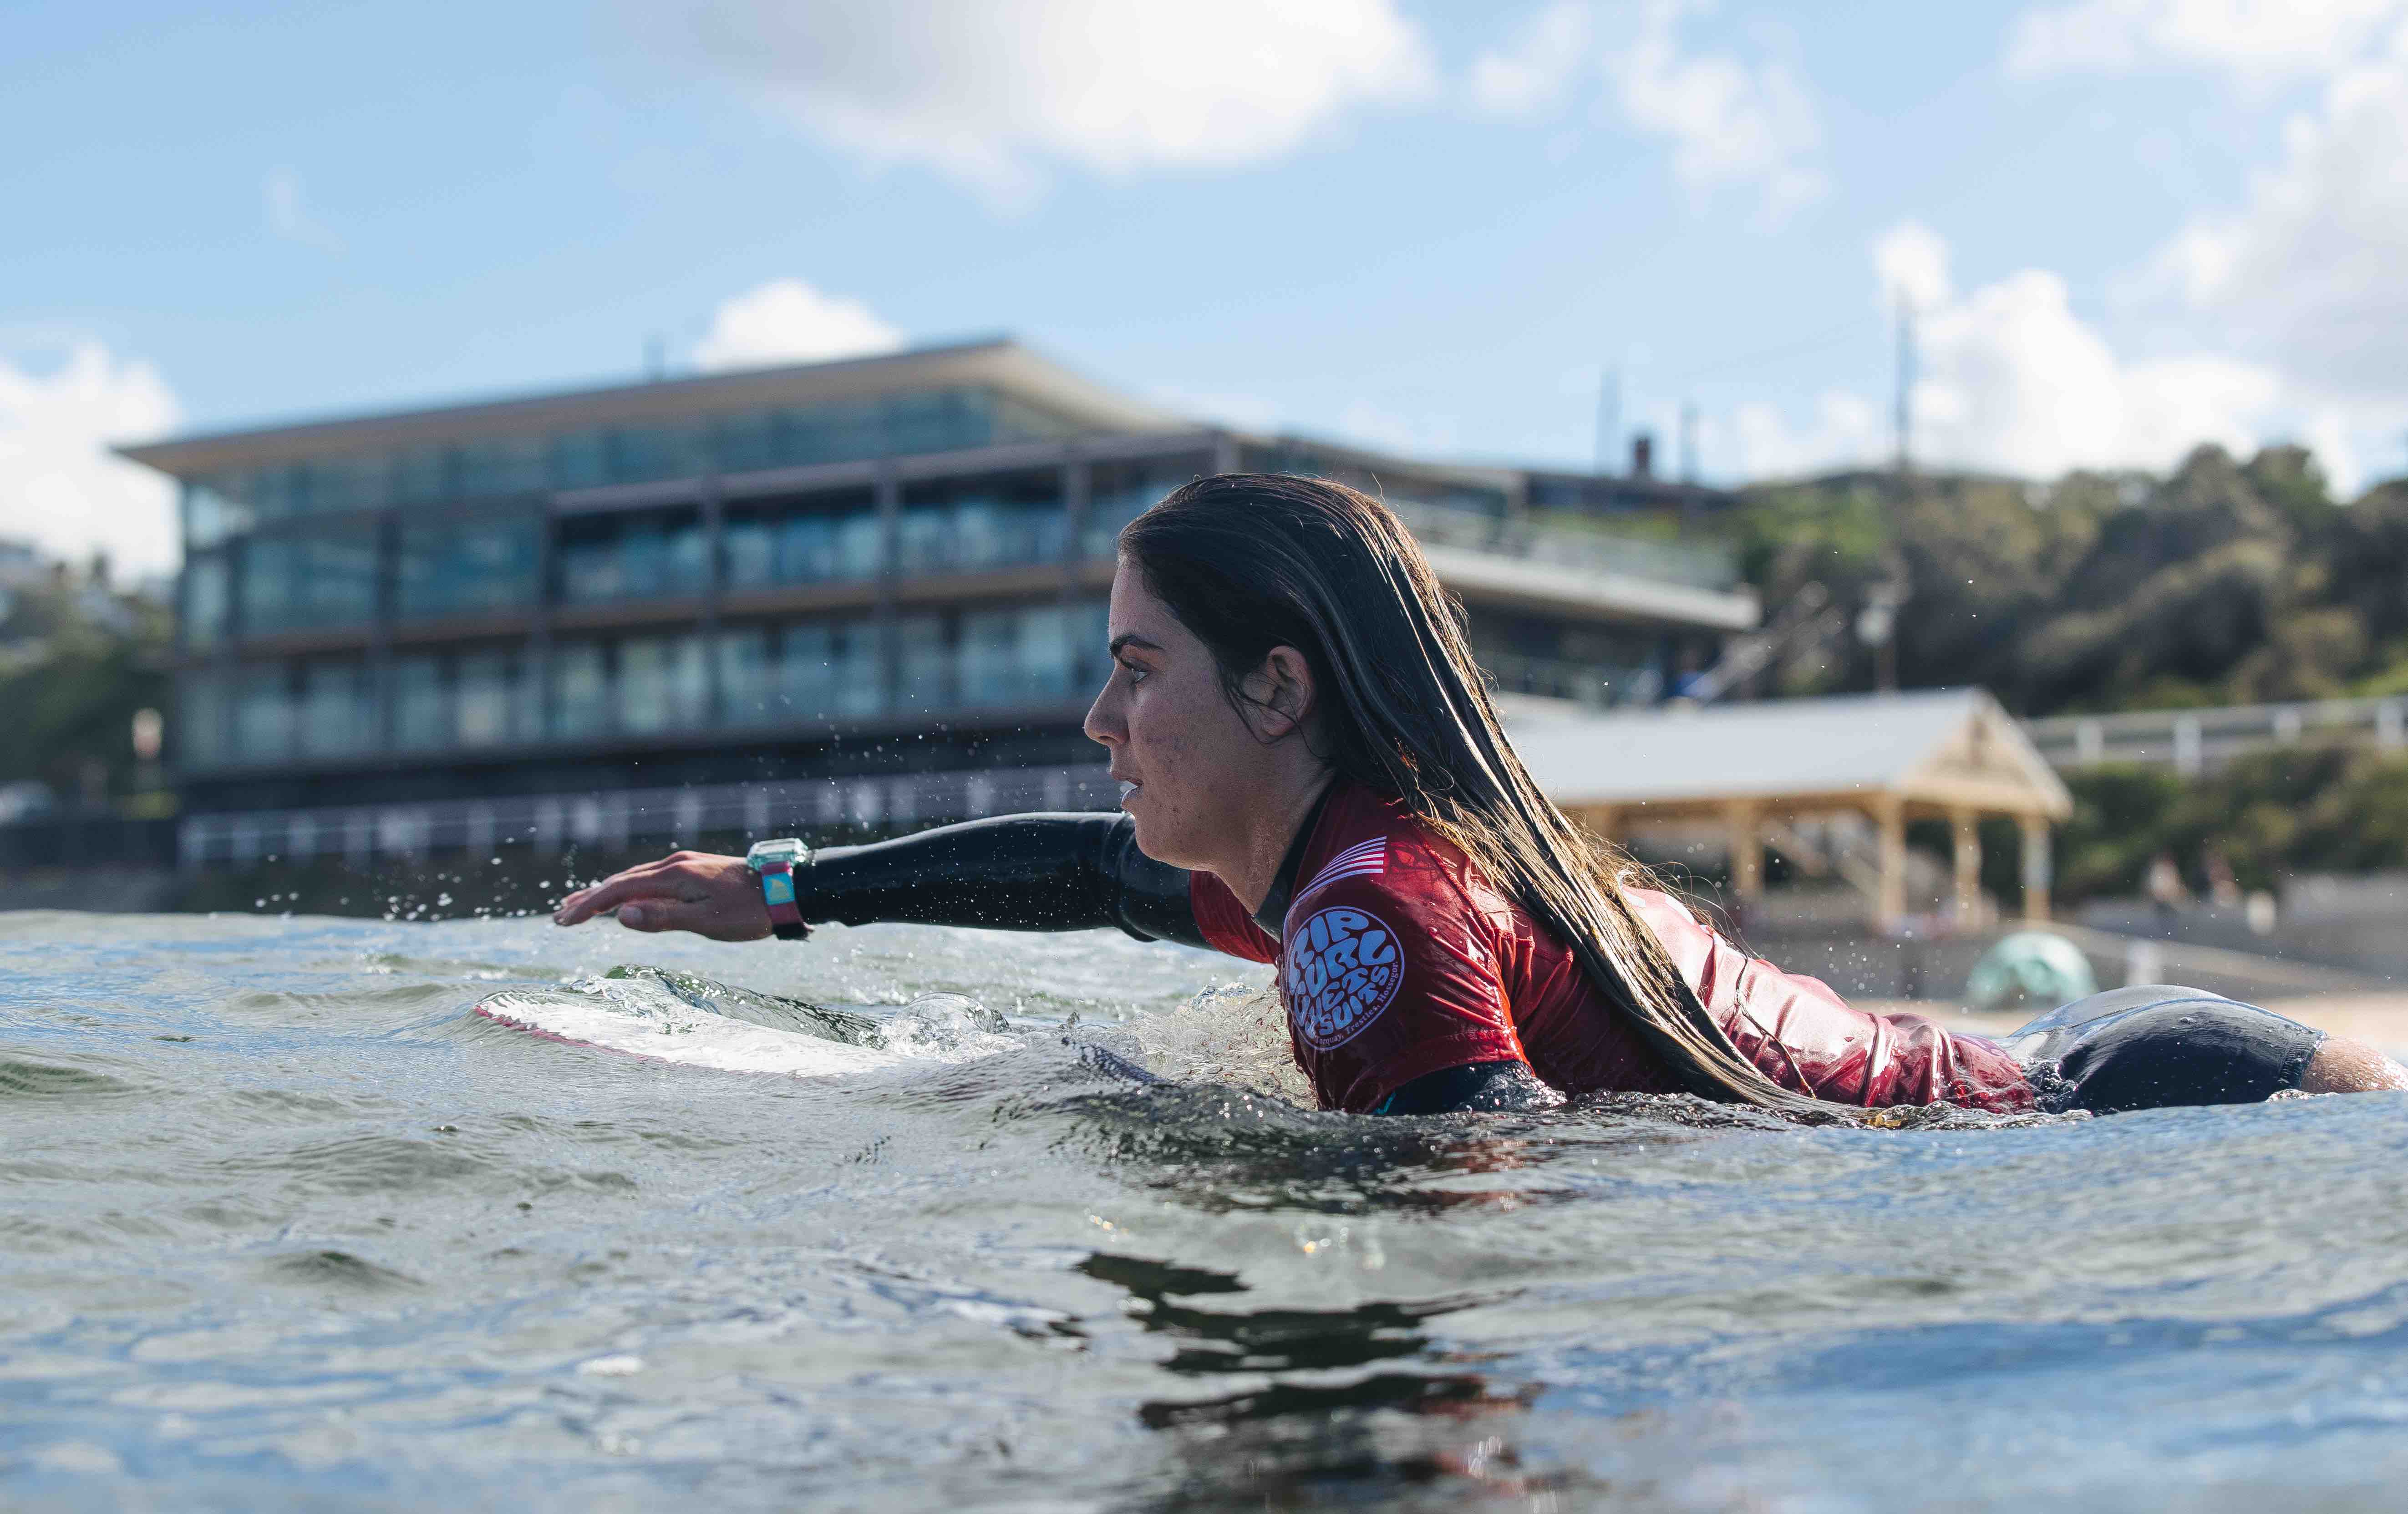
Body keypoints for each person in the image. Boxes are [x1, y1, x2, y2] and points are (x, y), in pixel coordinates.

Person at [553, 475, 2408, 1119]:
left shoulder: (1372, 911)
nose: (1099, 718)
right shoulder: (1360, 854)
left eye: (1136, 668)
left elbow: (1502, 1213)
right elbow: (1080, 874)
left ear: (1278, 688)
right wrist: (781, 891)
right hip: (2096, 1060)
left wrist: (1110, 1110)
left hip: (2113, 1110)